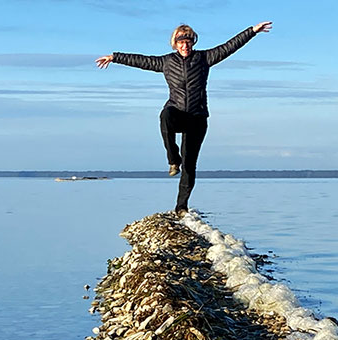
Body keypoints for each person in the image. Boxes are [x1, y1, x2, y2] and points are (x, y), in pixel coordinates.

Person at [97, 21, 273, 214]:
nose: (185, 45)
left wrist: (253, 31)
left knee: (189, 165)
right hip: (177, 112)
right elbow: (141, 60)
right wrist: (115, 57)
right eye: (181, 41)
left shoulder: (204, 58)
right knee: (165, 116)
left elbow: (230, 46)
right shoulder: (166, 62)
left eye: (188, 41)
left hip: (197, 117)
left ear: (193, 42)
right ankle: (173, 159)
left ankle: (181, 207)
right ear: (175, 43)